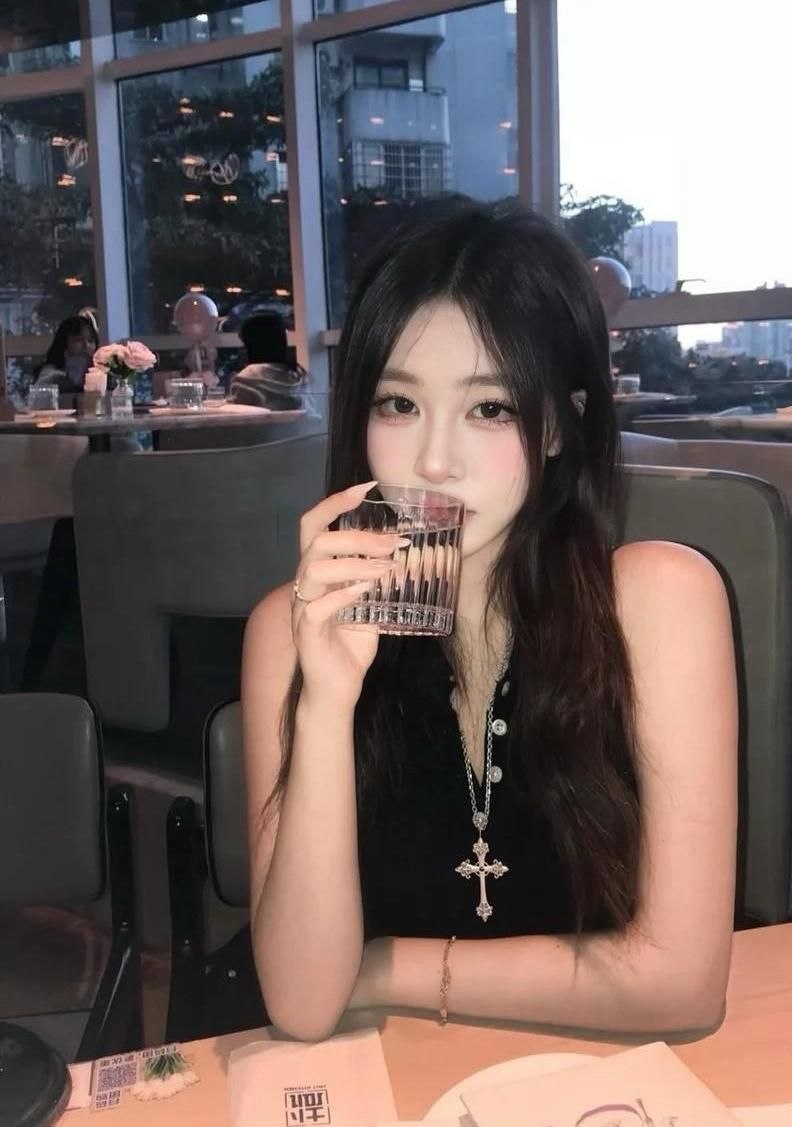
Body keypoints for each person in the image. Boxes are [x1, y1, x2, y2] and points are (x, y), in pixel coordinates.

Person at [242, 204, 738, 1042]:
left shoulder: (657, 601)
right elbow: (300, 1001)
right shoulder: (289, 631)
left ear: (560, 425)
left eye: (491, 408)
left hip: (595, 1078)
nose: (434, 460)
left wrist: (380, 966)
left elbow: (683, 984)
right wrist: (325, 701)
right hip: (391, 1077)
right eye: (399, 403)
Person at [229, 311, 308, 410]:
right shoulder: (298, 375)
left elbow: (240, 412)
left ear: (251, 344)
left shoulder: (247, 377)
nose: (242, 348)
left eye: (244, 343)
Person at [33, 314, 98, 393]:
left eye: (90, 341)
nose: (86, 345)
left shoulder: (101, 374)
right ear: (64, 343)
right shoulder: (50, 375)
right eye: (79, 340)